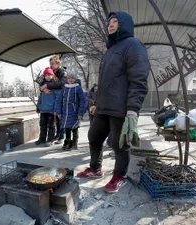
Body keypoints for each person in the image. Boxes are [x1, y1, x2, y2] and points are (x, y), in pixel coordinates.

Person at [77, 11, 150, 193]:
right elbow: (103, 82)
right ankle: (95, 168)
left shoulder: (133, 45)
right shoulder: (110, 50)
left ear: (124, 24)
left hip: (121, 108)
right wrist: (95, 102)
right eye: (109, 22)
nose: (110, 25)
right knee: (94, 137)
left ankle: (120, 176)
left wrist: (133, 108)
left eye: (116, 22)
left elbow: (139, 79)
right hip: (103, 107)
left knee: (119, 145)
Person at [55, 71, 85, 151]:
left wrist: (80, 113)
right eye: (68, 78)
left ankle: (74, 143)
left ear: (75, 79)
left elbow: (82, 101)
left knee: (75, 129)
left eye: (72, 78)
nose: (70, 79)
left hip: (75, 113)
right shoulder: (64, 88)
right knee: (67, 128)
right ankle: (67, 142)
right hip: (65, 112)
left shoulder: (78, 88)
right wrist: (58, 111)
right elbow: (59, 100)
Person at [40, 55, 67, 145]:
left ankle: (61, 136)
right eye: (50, 64)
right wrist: (43, 88)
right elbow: (42, 81)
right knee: (55, 119)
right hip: (52, 98)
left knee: (60, 117)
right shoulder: (51, 72)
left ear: (58, 63)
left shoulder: (62, 72)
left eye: (52, 64)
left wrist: (47, 86)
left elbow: (61, 84)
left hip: (61, 97)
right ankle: (58, 134)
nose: (51, 65)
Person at [35, 67, 61, 147]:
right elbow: (40, 97)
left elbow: (57, 99)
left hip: (51, 110)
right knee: (42, 125)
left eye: (49, 75)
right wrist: (38, 106)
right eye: (46, 75)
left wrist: (56, 109)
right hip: (43, 110)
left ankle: (50, 139)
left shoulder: (54, 86)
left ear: (53, 76)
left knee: (51, 125)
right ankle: (42, 139)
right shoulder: (43, 86)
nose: (48, 76)